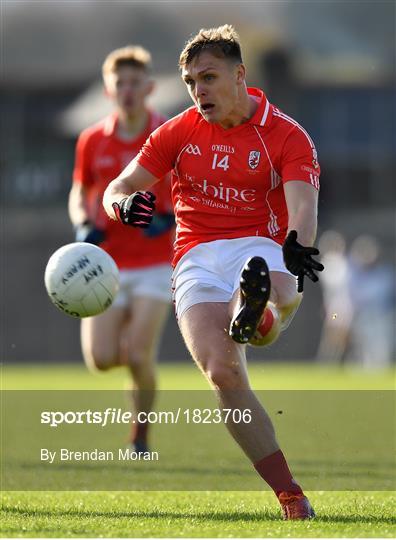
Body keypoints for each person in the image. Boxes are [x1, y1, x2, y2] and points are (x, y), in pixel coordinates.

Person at [103, 26, 324, 519]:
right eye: (189, 82)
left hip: (261, 245)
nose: (198, 90)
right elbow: (118, 185)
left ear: (240, 75)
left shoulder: (287, 135)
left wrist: (299, 244)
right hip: (197, 255)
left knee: (282, 283)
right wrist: (121, 206)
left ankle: (258, 314)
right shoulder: (179, 131)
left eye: (208, 77)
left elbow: (303, 209)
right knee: (221, 371)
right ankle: (290, 494)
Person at [68, 45, 174, 453]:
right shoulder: (92, 140)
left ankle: (140, 436)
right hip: (104, 264)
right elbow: (80, 192)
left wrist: (169, 219)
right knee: (102, 358)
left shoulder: (165, 133)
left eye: (135, 83)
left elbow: (187, 193)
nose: (127, 90)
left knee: (138, 354)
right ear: (108, 90)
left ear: (149, 88)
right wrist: (82, 223)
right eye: (120, 84)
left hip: (153, 264)